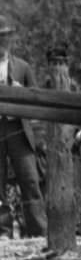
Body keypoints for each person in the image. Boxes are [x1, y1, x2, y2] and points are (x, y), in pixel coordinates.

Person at [0, 16, 48, 237]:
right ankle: (3, 231)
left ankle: (36, 229)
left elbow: (37, 101)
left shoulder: (23, 67)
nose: (3, 41)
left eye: (6, 36)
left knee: (30, 179)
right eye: (1, 37)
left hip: (19, 130)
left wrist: (22, 93)